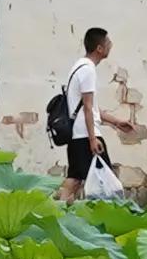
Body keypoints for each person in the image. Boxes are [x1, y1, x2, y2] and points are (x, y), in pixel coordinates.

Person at [37, 27, 129, 199]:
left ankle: (61, 210)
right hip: (86, 134)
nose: (111, 46)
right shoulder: (88, 70)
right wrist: (93, 139)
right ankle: (102, 213)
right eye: (108, 43)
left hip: (78, 134)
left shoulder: (78, 67)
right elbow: (87, 107)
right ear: (99, 48)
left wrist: (116, 122)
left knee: (75, 178)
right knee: (103, 178)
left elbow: (90, 108)